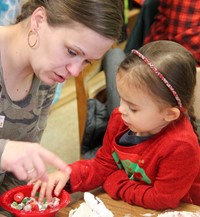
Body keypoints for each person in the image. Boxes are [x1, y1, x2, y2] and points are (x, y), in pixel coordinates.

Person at [32, 40, 200, 210]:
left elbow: (162, 200)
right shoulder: (121, 118)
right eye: (121, 98)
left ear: (169, 114)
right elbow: (104, 164)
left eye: (133, 108)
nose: (121, 109)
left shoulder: (181, 146)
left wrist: (115, 182)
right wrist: (68, 175)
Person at [0, 0, 123, 216]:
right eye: (71, 51)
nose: (75, 71)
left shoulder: (47, 76)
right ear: (39, 20)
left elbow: (15, 176)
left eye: (87, 62)